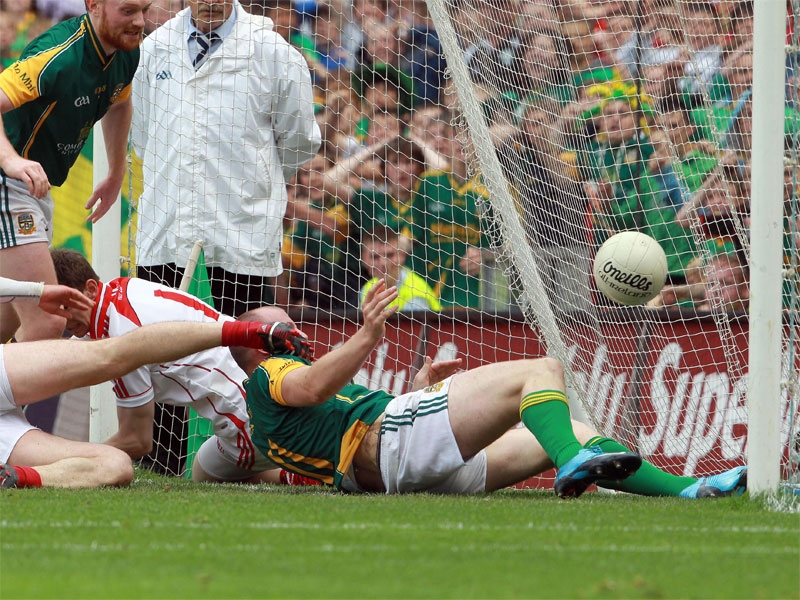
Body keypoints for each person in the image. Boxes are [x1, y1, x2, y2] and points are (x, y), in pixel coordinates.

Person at [230, 281, 748, 498]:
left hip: (399, 470)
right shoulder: (268, 374)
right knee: (540, 370)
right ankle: (572, 463)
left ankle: (687, 490)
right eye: (283, 328)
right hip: (395, 447)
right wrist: (367, 335)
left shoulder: (264, 425)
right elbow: (312, 387)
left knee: (571, 430)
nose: (296, 333)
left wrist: (416, 390)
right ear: (259, 345)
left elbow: (323, 431)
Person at [0, 274, 312, 489]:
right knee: (201, 469)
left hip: (253, 420)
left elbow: (138, 441)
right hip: (266, 396)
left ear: (91, 289)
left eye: (66, 305)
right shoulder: (125, 287)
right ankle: (297, 468)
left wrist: (80, 459)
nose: (64, 319)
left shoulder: (115, 327)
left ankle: (301, 468)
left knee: (198, 471)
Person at [131, 0, 321, 318]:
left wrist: (255, 181)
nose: (211, 2)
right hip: (165, 229)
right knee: (160, 341)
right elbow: (143, 137)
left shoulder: (275, 53)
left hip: (241, 233)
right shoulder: (152, 49)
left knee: (239, 342)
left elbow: (300, 140)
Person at [0, 0, 148, 343]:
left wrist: (115, 173)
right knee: (48, 322)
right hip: (8, 182)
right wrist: (10, 160)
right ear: (94, 5)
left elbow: (120, 103)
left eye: (145, 9)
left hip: (32, 188)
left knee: (7, 323)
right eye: (128, 11)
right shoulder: (59, 54)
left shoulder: (126, 52)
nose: (140, 21)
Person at [359, 225, 440, 312]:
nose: (383, 263)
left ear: (402, 255)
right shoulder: (367, 288)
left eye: (389, 255)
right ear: (364, 259)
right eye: (375, 257)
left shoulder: (416, 296)